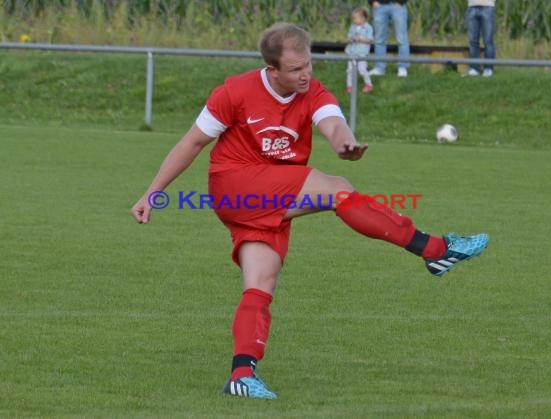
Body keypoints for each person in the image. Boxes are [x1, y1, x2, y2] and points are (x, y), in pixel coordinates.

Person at [131, 23, 489, 400]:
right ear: (273, 71)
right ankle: (434, 250)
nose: (306, 75)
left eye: (309, 65)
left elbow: (332, 121)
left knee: (261, 282)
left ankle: (241, 374)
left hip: (270, 195)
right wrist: (152, 193)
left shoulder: (311, 90)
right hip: (235, 186)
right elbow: (193, 142)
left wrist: (344, 142)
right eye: (296, 69)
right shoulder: (234, 91)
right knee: (337, 190)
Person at [367, 0, 410, 78]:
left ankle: (402, 67)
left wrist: (401, 2)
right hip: (379, 6)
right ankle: (379, 68)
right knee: (379, 39)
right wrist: (372, 1)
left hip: (398, 6)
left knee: (402, 39)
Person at [345, 7, 374, 93]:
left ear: (363, 18)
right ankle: (350, 85)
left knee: (362, 69)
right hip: (352, 52)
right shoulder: (352, 27)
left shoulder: (368, 28)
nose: (354, 20)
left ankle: (368, 84)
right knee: (350, 70)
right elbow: (348, 37)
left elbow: (370, 40)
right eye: (353, 18)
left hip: (361, 53)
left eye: (355, 18)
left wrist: (361, 39)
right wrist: (349, 40)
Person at [466, 0, 496, 77]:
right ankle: (475, 68)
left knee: (488, 40)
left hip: (488, 7)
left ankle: (488, 68)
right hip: (472, 6)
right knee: (473, 41)